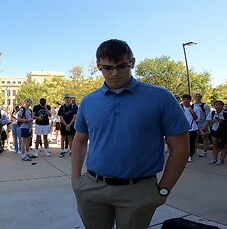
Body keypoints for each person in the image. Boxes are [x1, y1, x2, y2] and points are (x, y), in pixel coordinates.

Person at [71, 39, 190, 229]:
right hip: (92, 187)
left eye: (122, 66)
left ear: (132, 62)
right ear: (98, 66)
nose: (115, 73)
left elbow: (181, 147)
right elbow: (79, 141)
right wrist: (76, 180)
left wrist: (165, 188)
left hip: (138, 189)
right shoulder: (89, 101)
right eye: (108, 67)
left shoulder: (160, 97)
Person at [206, 100, 227, 165]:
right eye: (216, 105)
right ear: (214, 106)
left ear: (222, 106)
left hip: (224, 131)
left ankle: (221, 159)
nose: (218, 106)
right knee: (215, 145)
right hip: (214, 130)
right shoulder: (212, 113)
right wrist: (215, 120)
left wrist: (223, 121)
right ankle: (214, 158)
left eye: (220, 105)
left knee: (224, 145)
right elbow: (208, 122)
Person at [180, 94, 201, 162]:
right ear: (182, 100)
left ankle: (190, 155)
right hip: (182, 128)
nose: (186, 101)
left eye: (187, 99)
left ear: (190, 100)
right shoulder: (179, 107)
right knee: (182, 143)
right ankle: (182, 155)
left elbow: (197, 119)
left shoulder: (196, 108)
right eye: (184, 99)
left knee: (191, 143)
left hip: (192, 128)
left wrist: (193, 113)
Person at [193, 93, 211, 157]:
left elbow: (208, 116)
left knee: (205, 137)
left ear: (201, 98)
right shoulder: (192, 106)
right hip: (195, 124)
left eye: (198, 97)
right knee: (195, 137)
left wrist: (206, 125)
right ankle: (194, 151)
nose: (197, 98)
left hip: (203, 123)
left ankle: (205, 151)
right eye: (195, 97)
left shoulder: (205, 105)